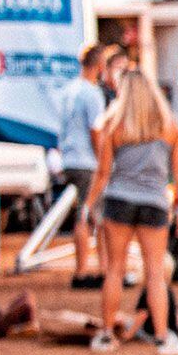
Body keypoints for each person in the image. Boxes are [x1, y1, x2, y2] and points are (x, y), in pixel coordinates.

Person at [82, 70, 178, 355]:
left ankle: (106, 335)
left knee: (114, 270)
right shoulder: (170, 127)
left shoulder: (115, 126)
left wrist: (88, 206)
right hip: (154, 202)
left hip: (119, 200)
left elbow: (103, 173)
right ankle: (162, 337)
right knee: (155, 272)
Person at [57, 44, 109, 288]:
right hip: (87, 161)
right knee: (92, 215)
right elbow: (95, 130)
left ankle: (90, 269)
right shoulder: (92, 93)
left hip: (69, 159)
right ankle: (92, 270)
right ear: (99, 66)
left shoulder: (69, 91)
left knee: (83, 212)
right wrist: (104, 160)